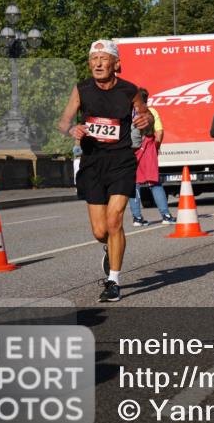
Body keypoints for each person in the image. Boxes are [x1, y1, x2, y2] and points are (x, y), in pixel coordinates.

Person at [57, 39, 151, 303]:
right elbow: (64, 121)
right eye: (93, 59)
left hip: (121, 160)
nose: (97, 63)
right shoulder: (82, 90)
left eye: (103, 58)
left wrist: (146, 121)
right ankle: (110, 249)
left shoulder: (129, 90)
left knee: (115, 221)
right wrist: (71, 129)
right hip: (92, 162)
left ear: (116, 63)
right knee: (100, 231)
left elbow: (146, 119)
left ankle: (113, 281)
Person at [129, 88, 176, 226]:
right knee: (154, 183)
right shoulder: (151, 112)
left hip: (132, 150)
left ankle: (137, 218)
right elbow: (159, 132)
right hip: (148, 147)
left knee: (134, 184)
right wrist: (156, 147)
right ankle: (166, 215)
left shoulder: (128, 112)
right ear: (146, 99)